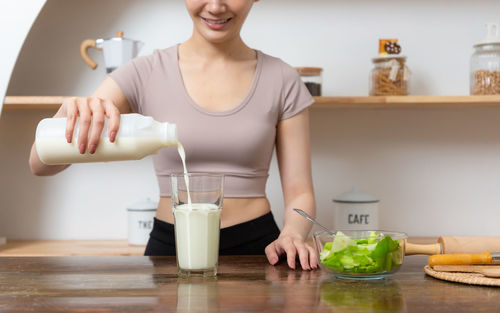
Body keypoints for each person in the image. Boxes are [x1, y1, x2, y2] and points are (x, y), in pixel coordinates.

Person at [29, 0, 318, 270]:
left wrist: (293, 233)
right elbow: (40, 165)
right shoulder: (144, 73)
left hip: (257, 247)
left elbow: (300, 192)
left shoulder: (282, 79)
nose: (216, 7)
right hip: (170, 248)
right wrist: (66, 116)